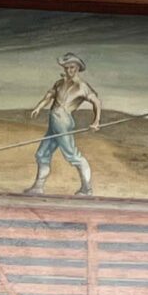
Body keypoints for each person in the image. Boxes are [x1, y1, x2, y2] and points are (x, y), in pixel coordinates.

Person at [26, 53, 101, 195]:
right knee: (42, 154)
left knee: (72, 155)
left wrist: (96, 121)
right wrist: (38, 107)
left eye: (72, 67)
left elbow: (96, 102)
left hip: (63, 122)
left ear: (77, 68)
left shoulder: (82, 86)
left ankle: (87, 189)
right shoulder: (59, 83)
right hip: (53, 122)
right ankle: (38, 187)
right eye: (66, 68)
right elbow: (49, 96)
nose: (68, 71)